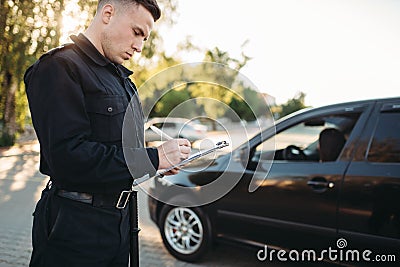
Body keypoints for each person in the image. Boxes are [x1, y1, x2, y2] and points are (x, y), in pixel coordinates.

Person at [24, 0, 191, 266]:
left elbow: (123, 151)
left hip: (120, 224)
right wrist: (152, 158)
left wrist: (160, 160)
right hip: (74, 228)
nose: (139, 46)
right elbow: (67, 157)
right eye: (137, 32)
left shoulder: (124, 81)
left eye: (145, 38)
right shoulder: (59, 67)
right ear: (108, 13)